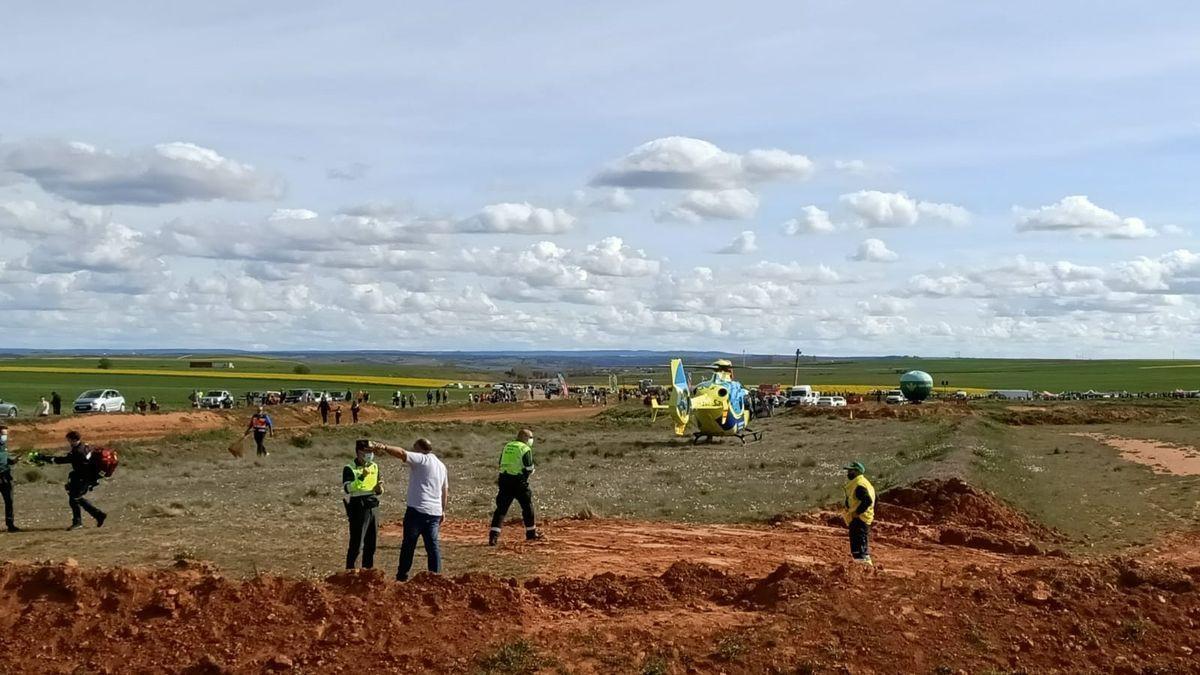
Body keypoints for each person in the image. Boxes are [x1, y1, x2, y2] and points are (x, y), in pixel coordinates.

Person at [369, 438, 448, 581]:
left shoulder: (422, 459)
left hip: (417, 511)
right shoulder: (441, 466)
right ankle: (436, 577)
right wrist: (443, 510)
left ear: (419, 448)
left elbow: (401, 453)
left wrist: (384, 446)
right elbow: (445, 490)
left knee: (408, 545)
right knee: (433, 547)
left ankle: (402, 576)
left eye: (414, 447)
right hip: (435, 512)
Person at [36, 431, 107, 530]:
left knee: (75, 498)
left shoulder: (77, 452)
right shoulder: (85, 446)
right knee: (75, 498)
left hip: (82, 478)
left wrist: (43, 458)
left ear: (72, 439)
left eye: (68, 440)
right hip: (85, 477)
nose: (68, 442)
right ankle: (93, 516)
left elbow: (62, 460)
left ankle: (91, 517)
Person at [488, 428, 541, 545]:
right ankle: (531, 533)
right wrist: (529, 472)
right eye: (531, 438)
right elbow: (529, 467)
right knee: (527, 506)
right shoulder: (525, 448)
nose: (532, 440)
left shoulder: (508, 446)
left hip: (504, 480)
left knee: (501, 509)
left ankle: (493, 537)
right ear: (526, 438)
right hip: (519, 481)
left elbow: (500, 461)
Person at [343, 440, 383, 569]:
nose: (370, 454)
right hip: (358, 506)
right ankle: (351, 571)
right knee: (357, 543)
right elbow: (348, 489)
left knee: (371, 543)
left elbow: (378, 486)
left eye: (372, 451)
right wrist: (361, 477)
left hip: (373, 504)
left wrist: (379, 489)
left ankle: (368, 571)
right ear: (359, 452)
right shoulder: (349, 468)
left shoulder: (374, 466)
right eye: (367, 451)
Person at [842, 461, 875, 565]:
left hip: (859, 519)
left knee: (859, 547)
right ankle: (862, 567)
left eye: (850, 471)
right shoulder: (863, 482)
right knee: (860, 545)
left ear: (856, 471)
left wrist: (857, 512)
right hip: (860, 518)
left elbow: (868, 500)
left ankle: (863, 569)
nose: (848, 473)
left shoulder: (859, 485)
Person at [1, 424, 19, 532]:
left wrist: (14, 460)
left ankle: (10, 524)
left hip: (6, 477)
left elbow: (5, 459)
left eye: (5, 435)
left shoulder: (4, 446)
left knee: (9, 501)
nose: (4, 437)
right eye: (3, 434)